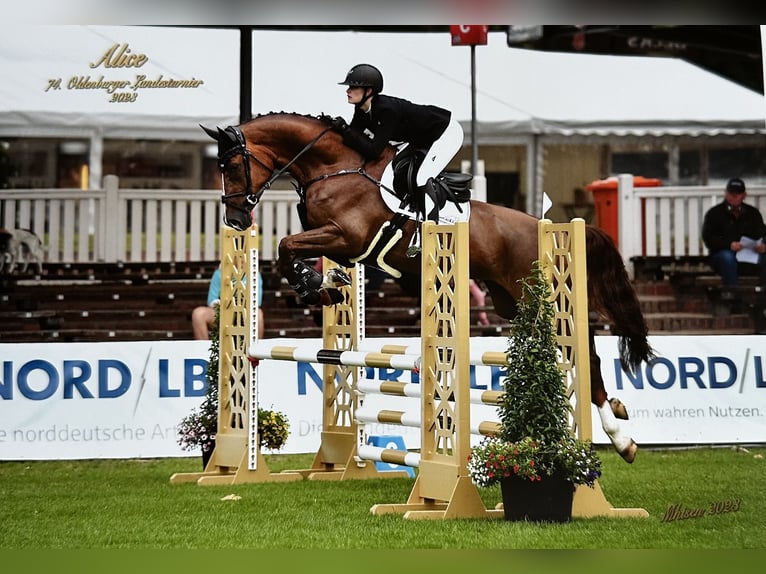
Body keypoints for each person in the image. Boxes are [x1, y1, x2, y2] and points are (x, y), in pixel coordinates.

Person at [330, 63, 464, 249]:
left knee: (422, 177)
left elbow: (373, 150)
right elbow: (354, 139)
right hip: (420, 139)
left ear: (368, 91)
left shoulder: (386, 110)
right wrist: (335, 131)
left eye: (353, 87)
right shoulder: (362, 110)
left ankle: (430, 233)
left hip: (445, 134)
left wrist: (345, 129)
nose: (348, 91)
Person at [701, 177, 766, 286]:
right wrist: (729, 245)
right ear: (726, 193)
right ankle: (732, 294)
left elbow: (762, 232)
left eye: (738, 193)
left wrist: (763, 244)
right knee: (727, 258)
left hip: (749, 254)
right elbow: (709, 238)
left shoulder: (753, 213)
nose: (734, 196)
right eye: (732, 193)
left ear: (744, 195)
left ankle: (762, 295)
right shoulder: (715, 213)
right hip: (723, 254)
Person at [192, 267, 265, 340]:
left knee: (258, 314)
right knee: (198, 314)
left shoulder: (254, 274)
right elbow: (211, 300)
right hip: (223, 311)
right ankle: (204, 350)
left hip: (245, 312)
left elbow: (256, 301)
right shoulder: (219, 273)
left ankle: (255, 349)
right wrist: (226, 305)